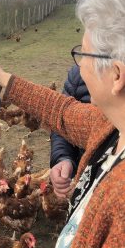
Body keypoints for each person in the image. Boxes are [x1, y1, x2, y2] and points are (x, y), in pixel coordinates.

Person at [0, 0, 125, 248]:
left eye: (83, 53)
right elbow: (62, 110)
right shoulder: (111, 126)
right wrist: (3, 78)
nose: (78, 65)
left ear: (117, 75)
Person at [50, 65, 90, 197]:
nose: (81, 63)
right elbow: (62, 122)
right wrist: (63, 158)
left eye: (86, 53)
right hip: (81, 177)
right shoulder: (78, 75)